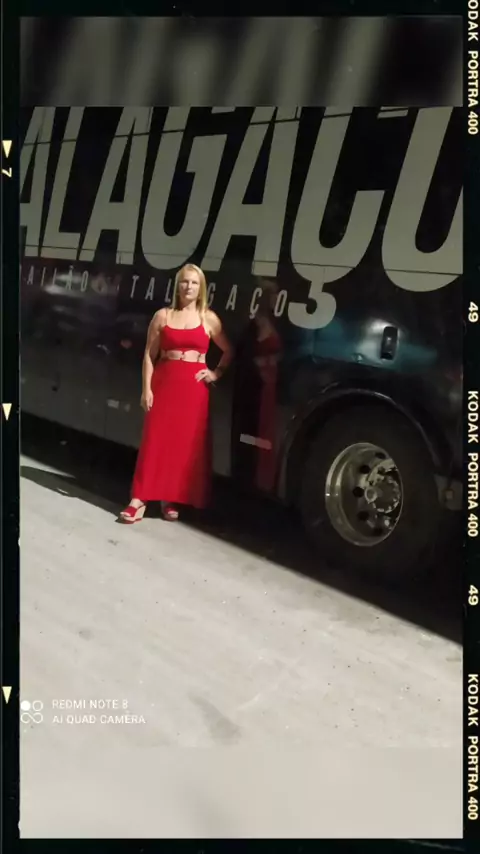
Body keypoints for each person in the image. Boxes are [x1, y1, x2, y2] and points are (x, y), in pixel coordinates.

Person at [119, 264, 232, 523]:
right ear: (177, 286)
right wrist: (146, 389)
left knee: (182, 445)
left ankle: (169, 498)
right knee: (155, 441)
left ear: (201, 288)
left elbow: (228, 350)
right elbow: (149, 355)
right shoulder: (163, 316)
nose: (189, 287)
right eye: (184, 282)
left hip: (194, 389)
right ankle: (138, 500)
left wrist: (215, 373)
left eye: (194, 283)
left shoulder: (208, 318)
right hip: (165, 382)